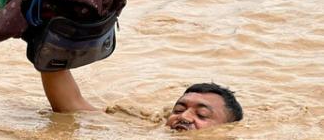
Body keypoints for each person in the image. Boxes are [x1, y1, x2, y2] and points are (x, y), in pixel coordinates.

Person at [41, 70, 243, 131]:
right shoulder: (145, 129)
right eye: (178, 109)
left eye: (202, 115)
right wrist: (52, 54)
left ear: (227, 130)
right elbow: (72, 107)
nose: (184, 117)